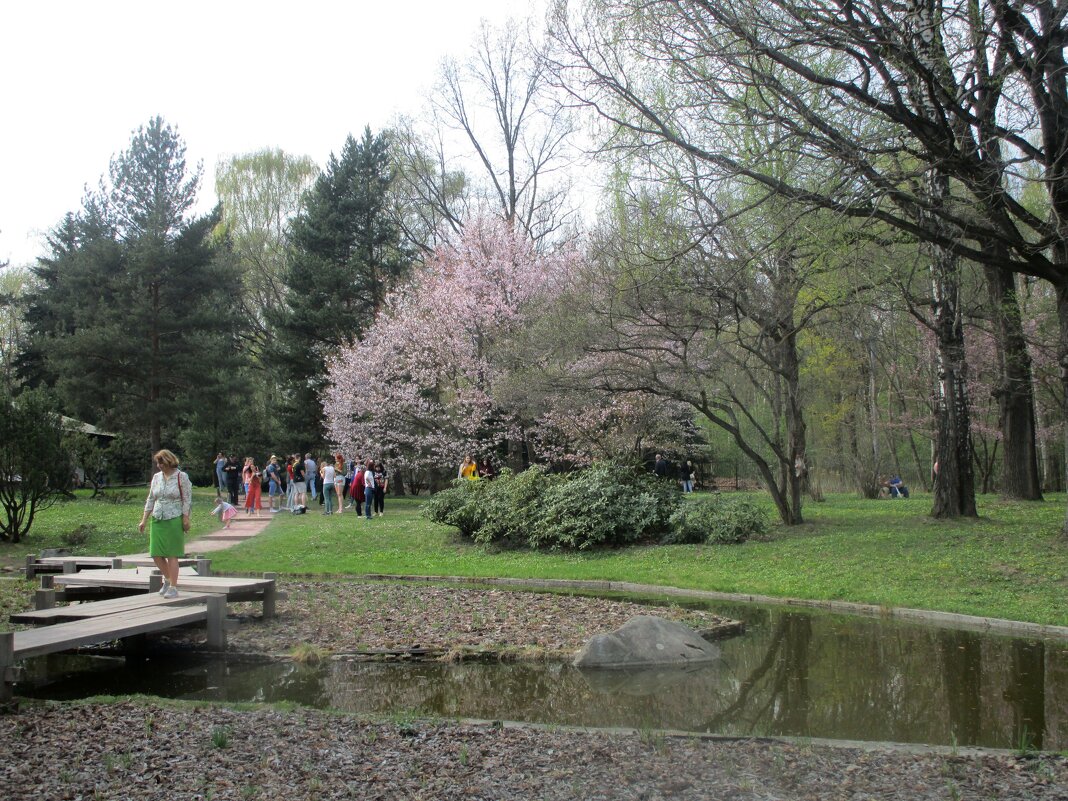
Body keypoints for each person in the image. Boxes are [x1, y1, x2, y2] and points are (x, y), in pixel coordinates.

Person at [138, 449, 191, 599]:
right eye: (157, 462)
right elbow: (150, 499)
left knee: (172, 554)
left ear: (169, 461)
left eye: (161, 462)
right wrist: (144, 519)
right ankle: (168, 580)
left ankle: (173, 586)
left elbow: (187, 499)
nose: (159, 465)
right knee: (155, 553)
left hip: (174, 517)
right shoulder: (156, 477)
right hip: (158, 517)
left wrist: (185, 517)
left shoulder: (182, 477)